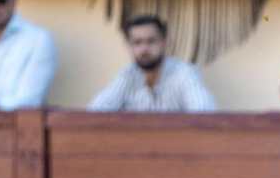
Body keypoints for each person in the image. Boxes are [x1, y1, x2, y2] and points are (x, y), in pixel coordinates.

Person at [88, 16, 216, 113]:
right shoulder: (128, 75)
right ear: (130, 46)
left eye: (151, 41)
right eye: (137, 43)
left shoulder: (184, 74)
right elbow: (94, 112)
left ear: (165, 44)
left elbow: (206, 115)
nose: (144, 49)